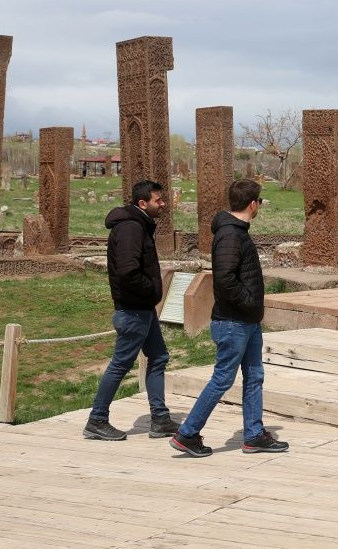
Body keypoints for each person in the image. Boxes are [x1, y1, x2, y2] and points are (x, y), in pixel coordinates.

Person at [170, 179, 289, 458]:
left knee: (255, 376)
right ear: (253, 204)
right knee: (223, 379)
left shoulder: (237, 232)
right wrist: (249, 302)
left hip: (246, 320)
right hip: (233, 321)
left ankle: (254, 435)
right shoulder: (230, 235)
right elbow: (224, 280)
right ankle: (187, 434)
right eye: (259, 201)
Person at [84, 180, 179, 441]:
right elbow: (127, 272)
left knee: (158, 357)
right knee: (120, 364)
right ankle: (97, 419)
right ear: (142, 203)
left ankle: (159, 418)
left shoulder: (140, 226)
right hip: (133, 309)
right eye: (158, 200)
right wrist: (151, 290)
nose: (163, 204)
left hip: (143, 309)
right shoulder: (130, 229)